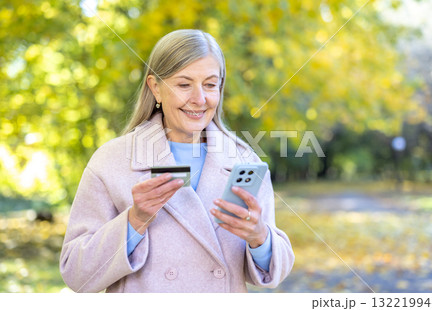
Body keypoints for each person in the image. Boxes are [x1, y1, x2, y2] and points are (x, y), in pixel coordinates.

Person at [60, 29, 294, 293]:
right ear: (156, 88)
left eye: (209, 84)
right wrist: (135, 220)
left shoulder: (243, 160)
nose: (199, 99)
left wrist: (259, 237)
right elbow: (76, 273)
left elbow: (277, 270)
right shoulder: (111, 161)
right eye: (184, 84)